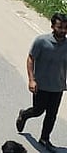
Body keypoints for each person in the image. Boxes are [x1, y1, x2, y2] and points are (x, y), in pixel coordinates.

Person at [18, 13, 67, 149]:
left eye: (65, 28)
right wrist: (31, 80)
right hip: (41, 85)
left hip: (58, 86)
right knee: (38, 111)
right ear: (52, 27)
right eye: (59, 27)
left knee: (52, 114)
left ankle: (44, 138)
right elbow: (30, 58)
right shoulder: (41, 41)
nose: (63, 30)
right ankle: (24, 115)